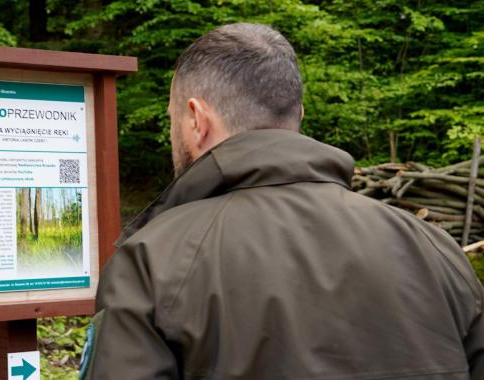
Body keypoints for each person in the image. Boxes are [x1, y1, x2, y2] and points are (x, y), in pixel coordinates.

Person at [80, 23, 484, 380]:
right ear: (299, 115)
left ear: (196, 120)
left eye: (172, 118)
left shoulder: (152, 261)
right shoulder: (435, 250)